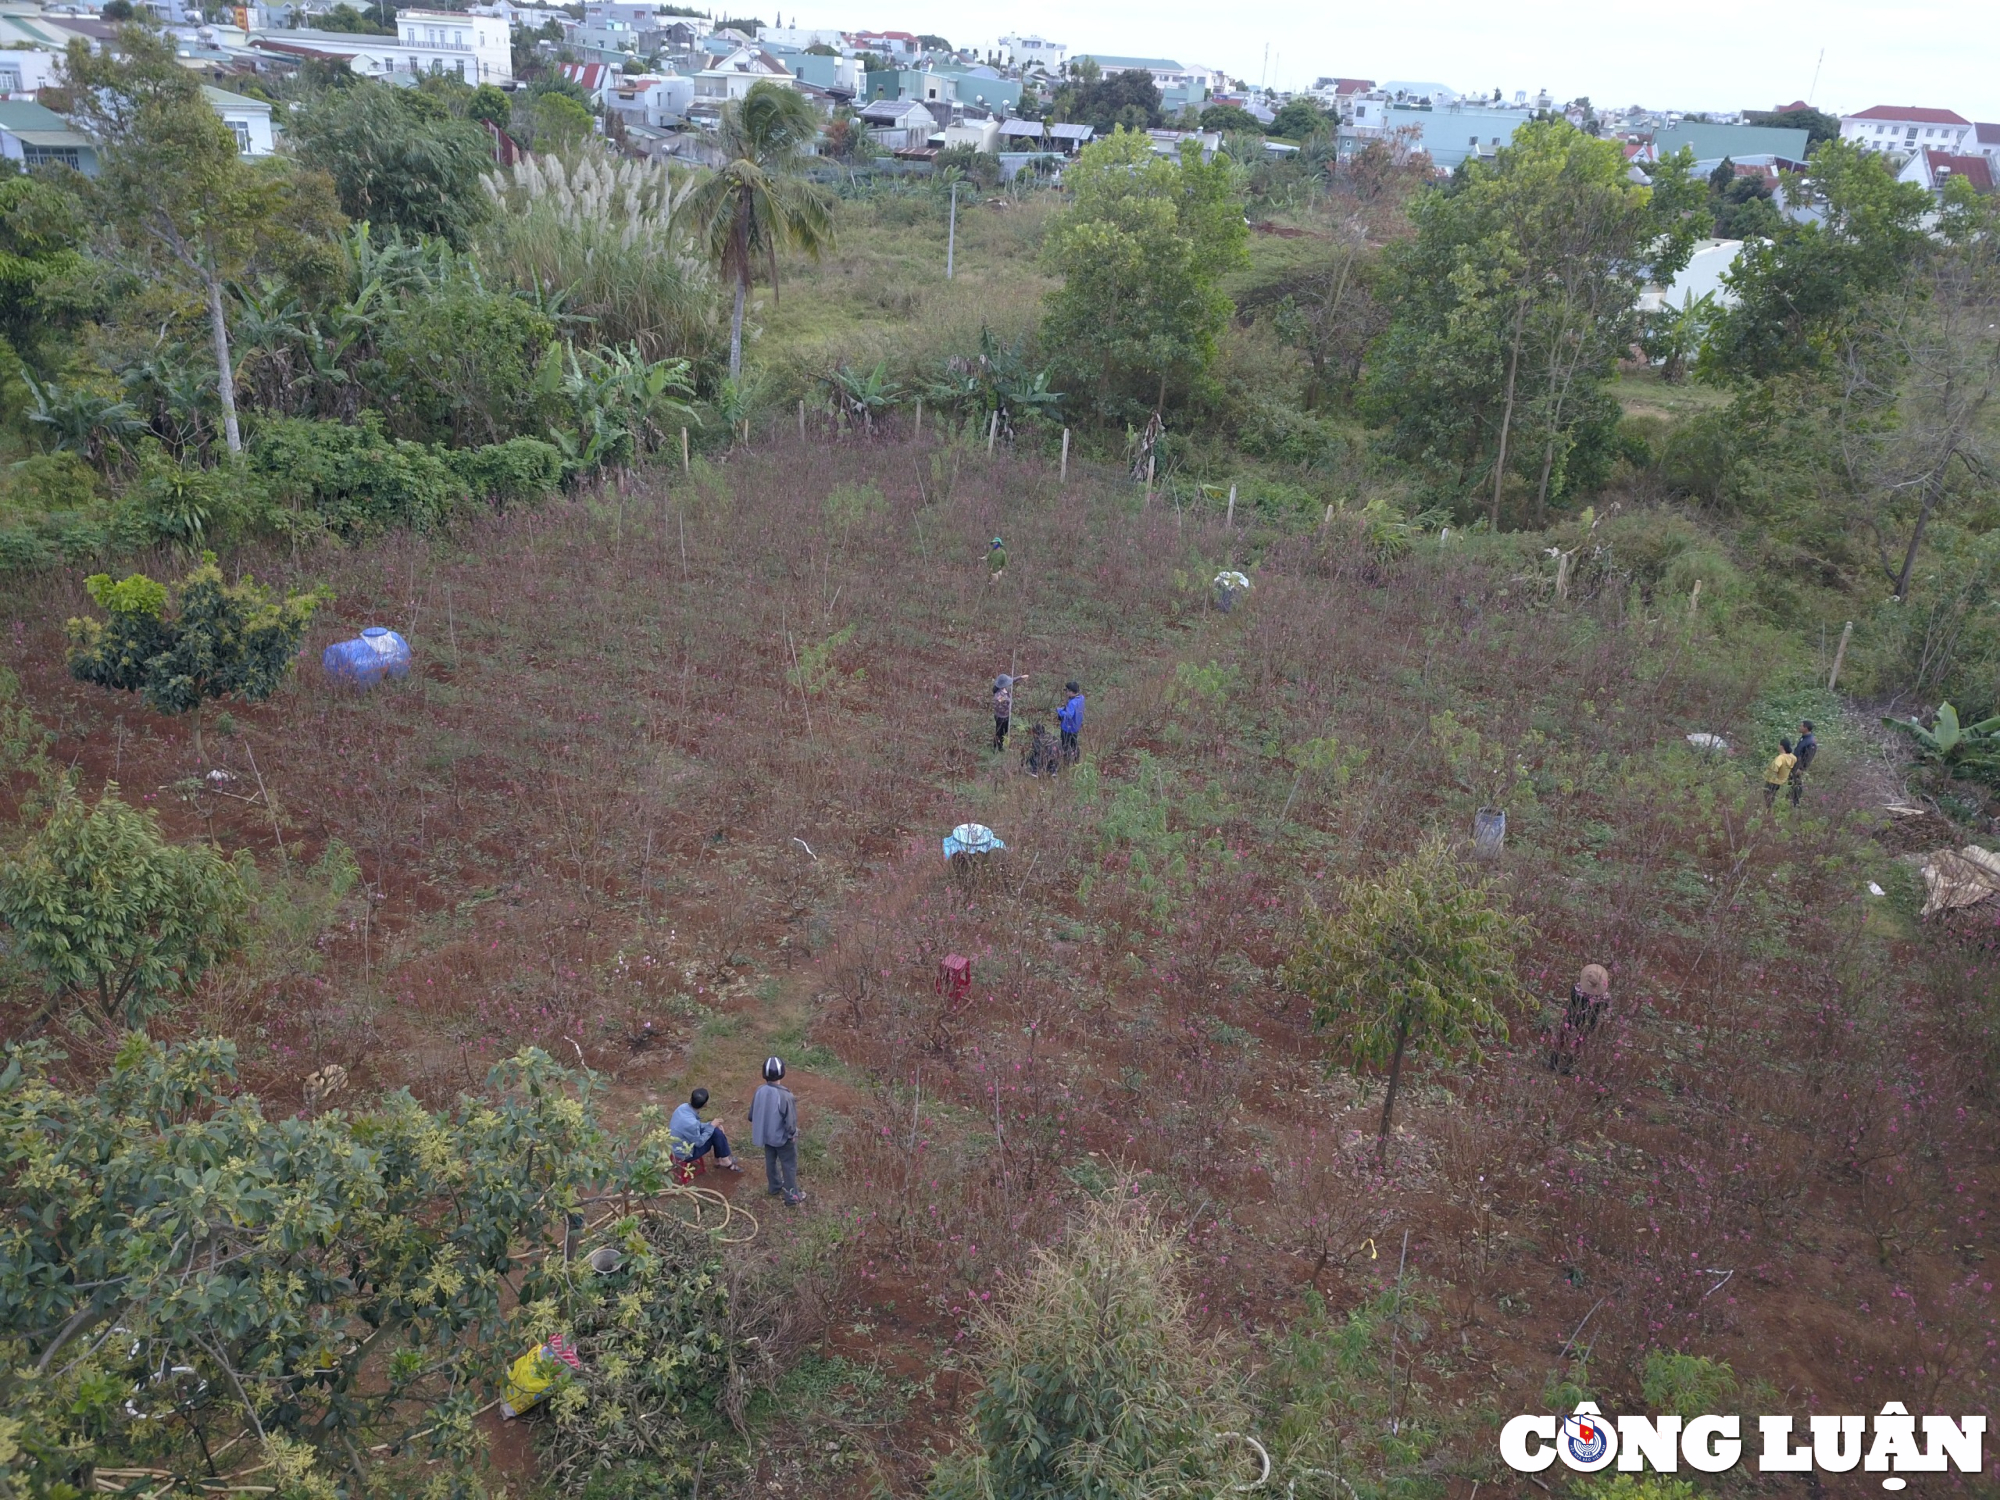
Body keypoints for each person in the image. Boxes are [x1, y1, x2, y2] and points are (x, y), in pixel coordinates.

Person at [749, 1056, 805, 1206]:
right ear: (782, 1073)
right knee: (788, 1165)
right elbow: (790, 1123)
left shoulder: (759, 1091)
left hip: (766, 1136)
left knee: (770, 1161)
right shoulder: (786, 1096)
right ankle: (792, 1197)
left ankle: (774, 1187)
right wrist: (793, 1134)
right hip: (782, 1139)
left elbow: (751, 1115)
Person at [1546, 964, 1610, 1073]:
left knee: (1574, 1041)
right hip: (1580, 1018)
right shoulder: (1600, 996)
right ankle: (1558, 1063)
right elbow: (1603, 1008)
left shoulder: (1592, 994)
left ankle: (1564, 1065)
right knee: (1572, 1040)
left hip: (1581, 1019)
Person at [669, 1087, 741, 1172]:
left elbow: (694, 1127)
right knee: (716, 1134)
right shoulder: (692, 1123)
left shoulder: (682, 1107)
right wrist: (711, 1127)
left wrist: (710, 1125)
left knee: (715, 1131)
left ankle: (721, 1160)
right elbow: (699, 1143)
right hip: (685, 1154)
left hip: (674, 1146)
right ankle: (724, 1160)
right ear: (705, 1104)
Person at [992, 672, 1027, 752]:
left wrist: (1021, 677)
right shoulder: (998, 695)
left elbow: (1012, 680)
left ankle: (1001, 744)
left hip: (1007, 716)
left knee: (1005, 731)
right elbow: (1003, 700)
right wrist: (1009, 698)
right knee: (999, 733)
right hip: (1000, 717)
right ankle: (996, 747)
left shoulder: (1004, 688)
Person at [1763, 737, 1796, 809]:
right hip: (1783, 781)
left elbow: (1775, 768)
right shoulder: (1793, 757)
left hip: (1772, 781)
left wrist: (1769, 772)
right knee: (1775, 797)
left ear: (1781, 746)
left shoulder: (1780, 758)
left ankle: (1768, 811)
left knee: (1768, 798)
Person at [1057, 681, 1085, 766]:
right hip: (1076, 726)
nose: (1066, 693)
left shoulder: (1072, 702)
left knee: (1065, 745)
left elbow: (1069, 715)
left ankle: (1066, 763)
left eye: (1067, 691)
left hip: (1067, 728)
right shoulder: (1081, 698)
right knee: (1074, 743)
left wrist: (1060, 711)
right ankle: (1076, 761)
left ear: (1071, 692)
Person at [1790, 720, 1817, 808]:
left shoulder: (1810, 741)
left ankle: (1796, 803)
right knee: (1792, 782)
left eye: (1801, 726)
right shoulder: (1804, 738)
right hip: (1795, 765)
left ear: (1806, 728)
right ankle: (1790, 800)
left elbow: (1808, 757)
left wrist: (1802, 768)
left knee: (1797, 783)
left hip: (1799, 767)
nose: (1799, 727)